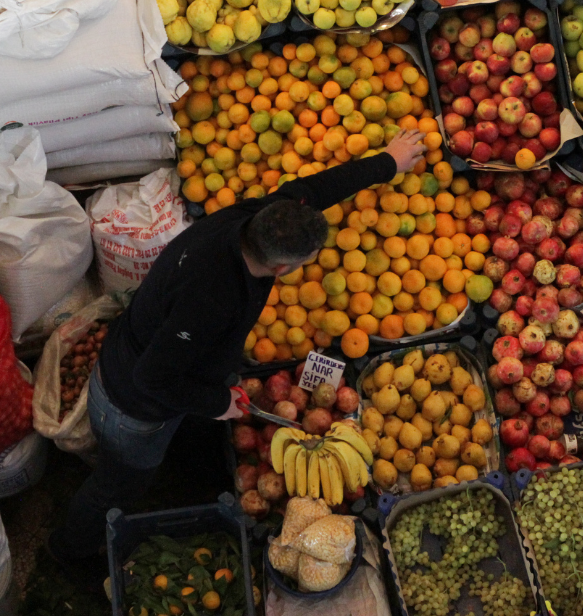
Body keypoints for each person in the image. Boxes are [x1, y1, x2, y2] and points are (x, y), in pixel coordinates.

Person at [48, 129, 427, 568]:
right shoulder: (211, 299)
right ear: (282, 267)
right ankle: (68, 552)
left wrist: (388, 161)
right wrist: (216, 403)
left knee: (183, 433)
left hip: (167, 364)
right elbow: (151, 378)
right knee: (119, 483)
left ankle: (188, 466)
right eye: (307, 260)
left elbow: (319, 187)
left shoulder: (256, 218)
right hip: (133, 406)